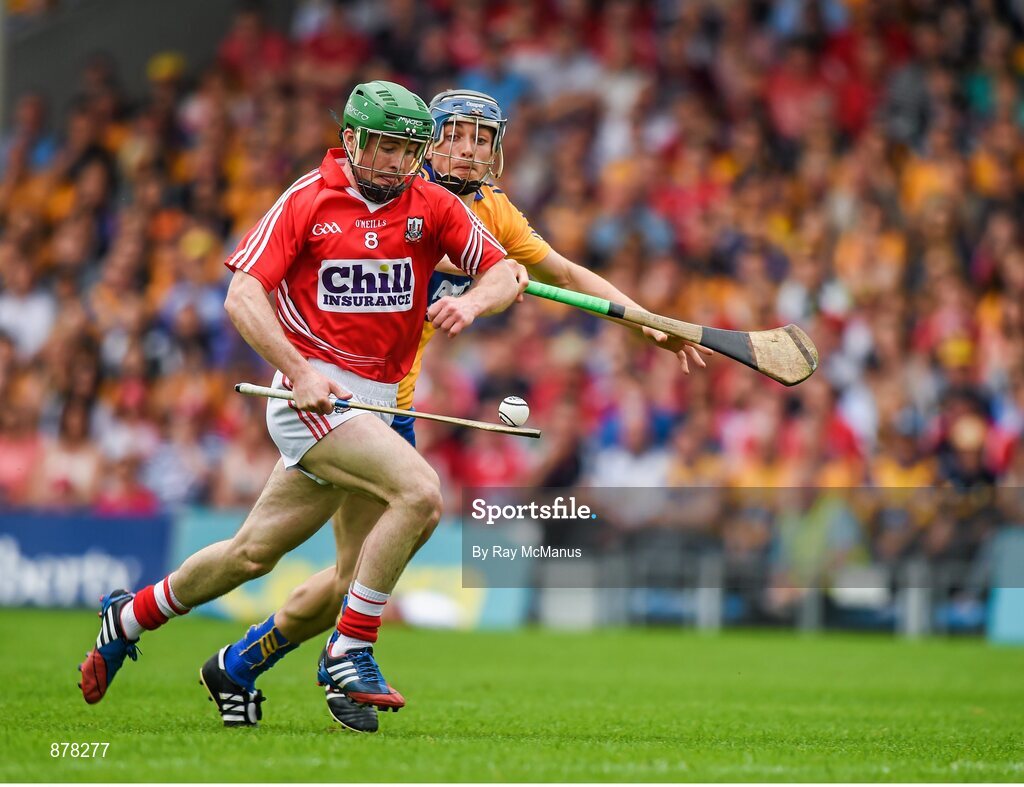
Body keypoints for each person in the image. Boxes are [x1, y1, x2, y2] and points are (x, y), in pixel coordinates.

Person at [200, 89, 711, 733]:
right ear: (424, 140)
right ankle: (341, 664)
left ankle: (244, 661)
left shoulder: (496, 213)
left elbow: (567, 272)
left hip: (396, 406)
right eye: (455, 136)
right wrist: (471, 277)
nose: (468, 151)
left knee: (345, 583)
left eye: (481, 139)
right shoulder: (395, 199)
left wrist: (646, 322)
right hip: (342, 396)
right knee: (346, 546)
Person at [77, 81, 522, 725]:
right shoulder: (308, 201)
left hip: (378, 406)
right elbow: (242, 297)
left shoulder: (430, 203)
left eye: (408, 150)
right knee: (422, 495)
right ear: (352, 140)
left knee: (253, 555)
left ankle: (129, 616)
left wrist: (471, 300)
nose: (397, 163)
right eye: (385, 147)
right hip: (311, 397)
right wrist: (298, 371)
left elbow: (506, 271)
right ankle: (351, 648)